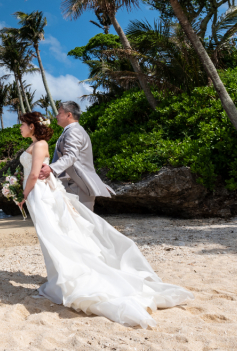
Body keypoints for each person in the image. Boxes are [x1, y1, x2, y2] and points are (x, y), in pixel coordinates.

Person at [16, 110, 193, 328]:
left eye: (22, 124)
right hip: (39, 193)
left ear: (32, 126)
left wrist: (23, 195)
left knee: (54, 236)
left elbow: (34, 174)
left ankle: (66, 280)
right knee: (50, 236)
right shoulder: (37, 144)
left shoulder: (40, 145)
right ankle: (58, 278)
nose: (20, 128)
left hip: (41, 194)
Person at [38, 101, 113, 211]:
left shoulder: (74, 131)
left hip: (77, 186)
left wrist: (51, 168)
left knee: (83, 220)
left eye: (59, 113)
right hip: (73, 185)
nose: (56, 116)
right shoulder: (71, 131)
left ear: (69, 115)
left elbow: (71, 156)